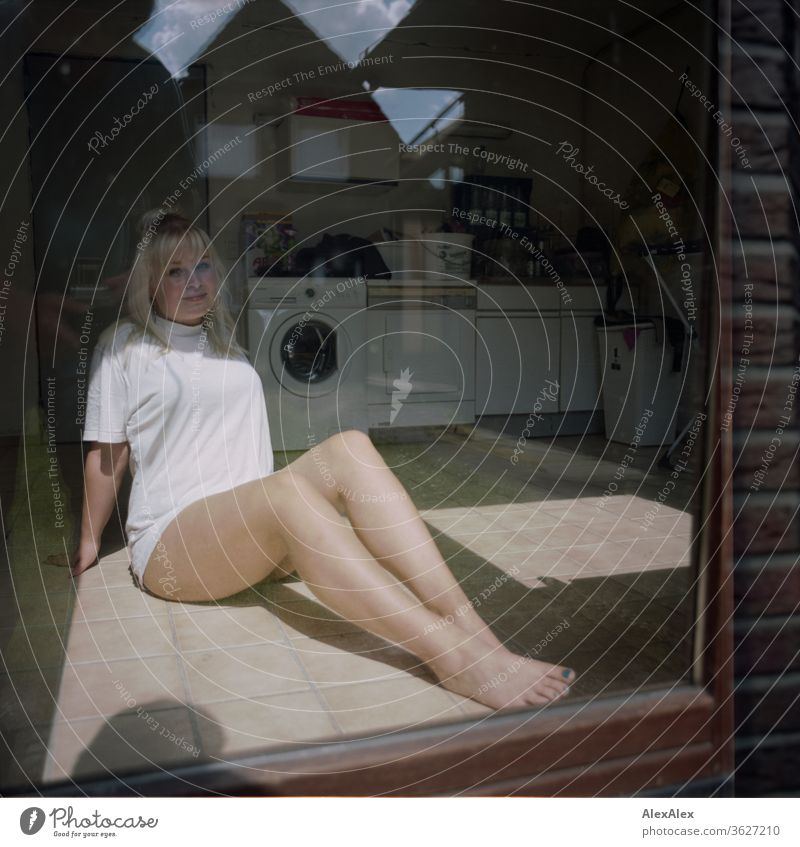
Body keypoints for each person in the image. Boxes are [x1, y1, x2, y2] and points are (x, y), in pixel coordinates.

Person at [71, 209, 575, 711]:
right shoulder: (123, 348)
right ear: (149, 284)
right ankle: (455, 658)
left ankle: (475, 631)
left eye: (202, 264)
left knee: (350, 445)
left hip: (250, 539)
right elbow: (106, 454)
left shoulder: (222, 343)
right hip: (174, 545)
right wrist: (90, 540)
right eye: (174, 271)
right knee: (286, 491)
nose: (195, 281)